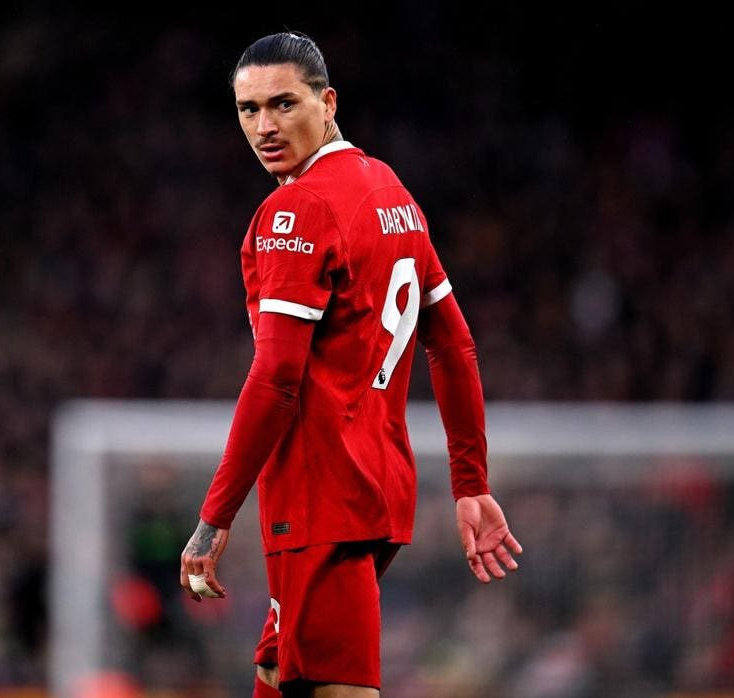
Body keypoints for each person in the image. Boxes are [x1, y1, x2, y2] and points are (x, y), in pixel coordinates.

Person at [179, 31, 522, 698]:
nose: (264, 127)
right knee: (278, 673)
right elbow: (452, 343)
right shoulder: (389, 190)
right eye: (249, 109)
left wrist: (214, 519)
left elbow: (277, 378)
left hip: (320, 499)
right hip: (376, 487)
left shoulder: (296, 209)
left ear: (327, 102)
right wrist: (469, 482)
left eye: (283, 104)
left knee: (336, 687)